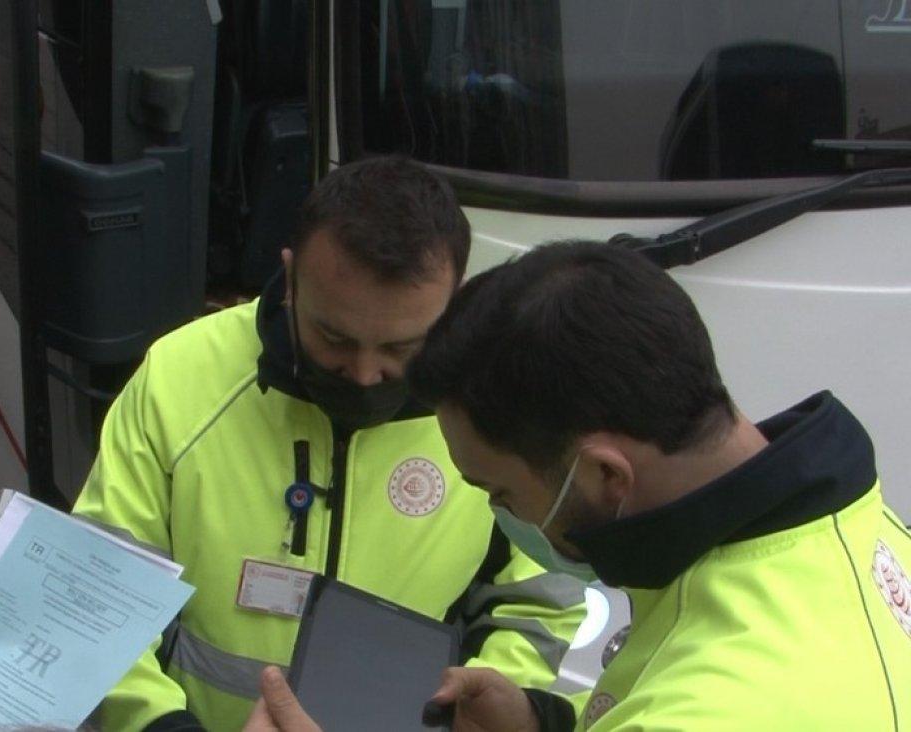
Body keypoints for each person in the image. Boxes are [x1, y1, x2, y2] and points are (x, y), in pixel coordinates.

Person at [245, 239, 911, 731]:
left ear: (605, 474)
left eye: (501, 493)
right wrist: (544, 725)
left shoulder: (707, 711)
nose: (501, 513)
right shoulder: (855, 528)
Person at [72, 157, 587, 731]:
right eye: (334, 337)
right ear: (290, 280)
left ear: (454, 301)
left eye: (401, 347)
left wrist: (468, 713)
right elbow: (98, 590)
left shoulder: (499, 413)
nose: (365, 375)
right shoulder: (179, 378)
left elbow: (541, 603)